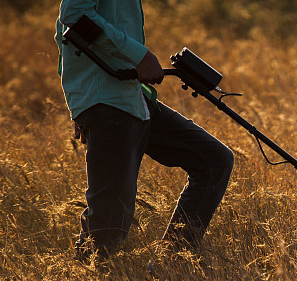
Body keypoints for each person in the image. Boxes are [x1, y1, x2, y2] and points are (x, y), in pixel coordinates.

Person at [54, 0, 234, 262]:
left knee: (214, 161)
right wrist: (137, 56)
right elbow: (73, 15)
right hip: (109, 103)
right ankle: (86, 271)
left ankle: (171, 265)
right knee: (109, 225)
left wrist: (82, 98)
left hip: (133, 98)